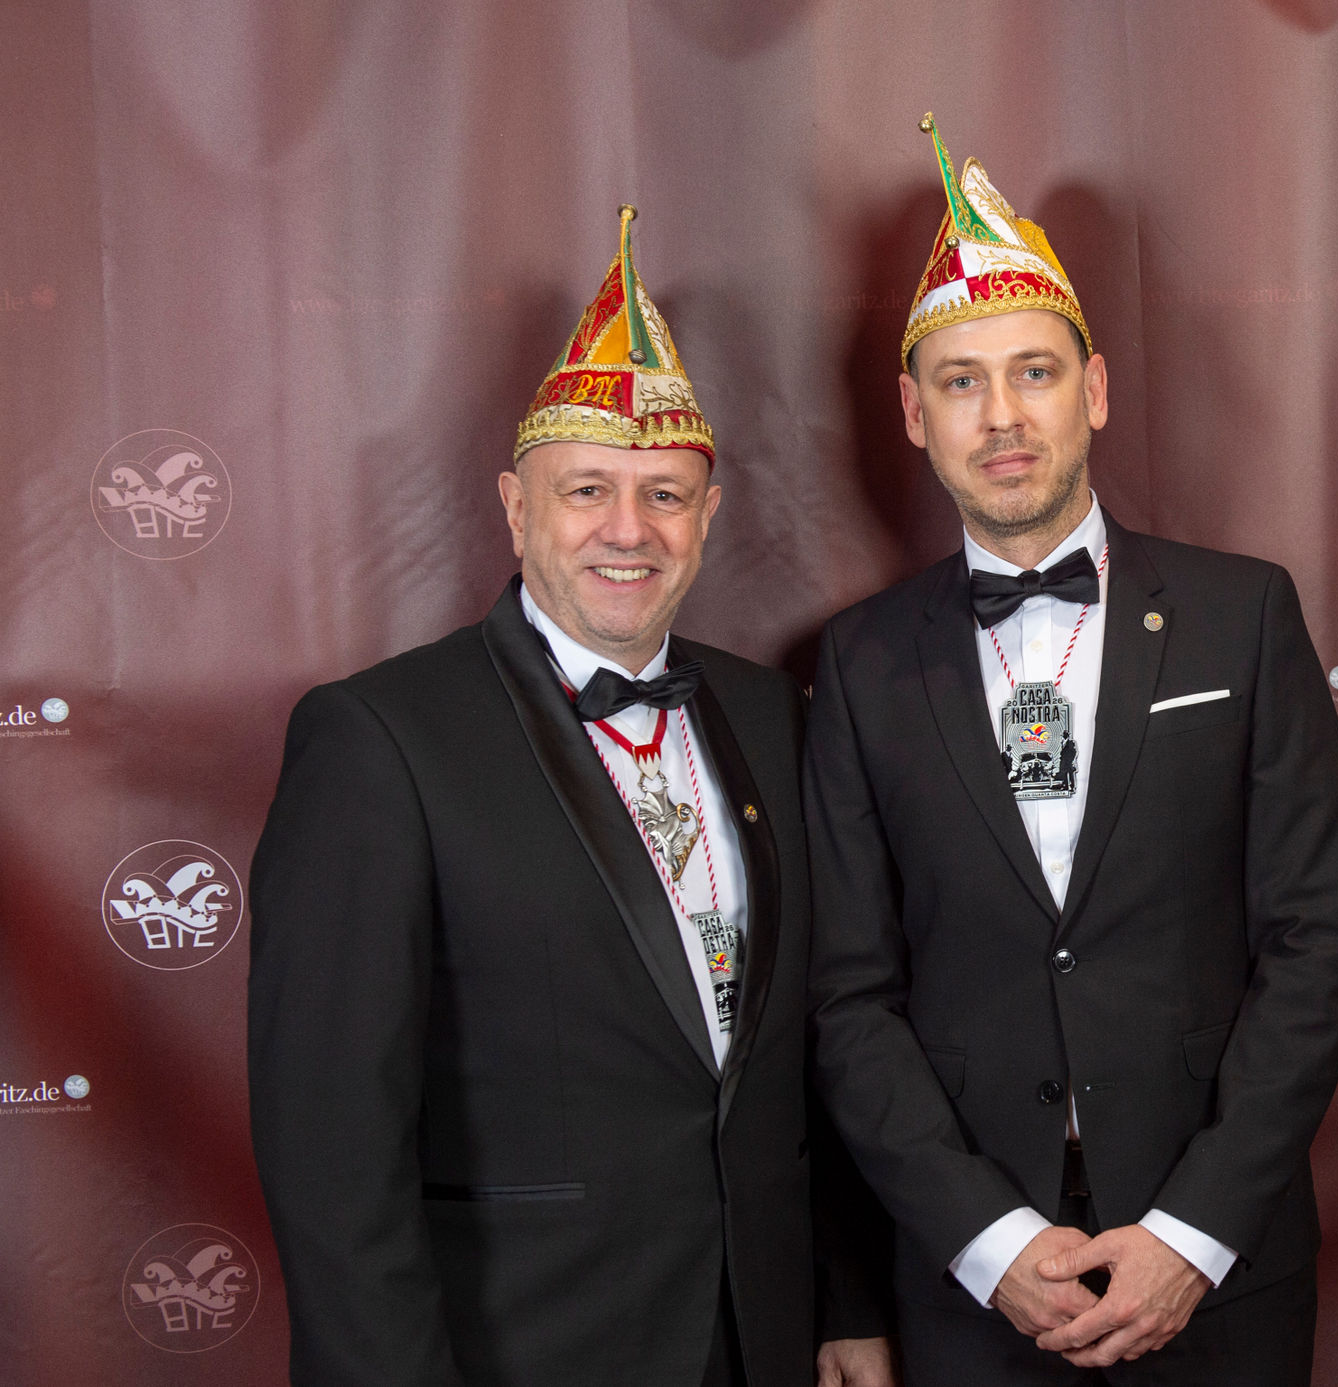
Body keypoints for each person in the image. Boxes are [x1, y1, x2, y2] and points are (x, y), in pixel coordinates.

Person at [249, 206, 892, 1387]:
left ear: (710, 515)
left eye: (665, 494)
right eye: (587, 488)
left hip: (758, 1334)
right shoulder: (381, 740)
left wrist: (843, 1299)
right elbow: (331, 1143)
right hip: (524, 1347)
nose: (627, 530)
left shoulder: (771, 712)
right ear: (515, 507)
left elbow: (809, 1053)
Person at [805, 119, 1338, 1385]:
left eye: (1035, 372)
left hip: (1219, 1266)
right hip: (971, 1283)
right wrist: (989, 1241)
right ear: (914, 414)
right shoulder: (860, 661)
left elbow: (1316, 942)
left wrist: (1193, 1232)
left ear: (1096, 390)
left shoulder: (1244, 614)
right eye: (961, 382)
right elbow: (848, 997)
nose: (1002, 415)